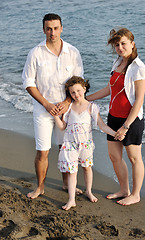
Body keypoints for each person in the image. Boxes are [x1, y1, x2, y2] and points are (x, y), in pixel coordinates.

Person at [22, 13, 84, 199]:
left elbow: (79, 82)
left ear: (61, 28)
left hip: (67, 110)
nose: (52, 32)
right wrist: (47, 104)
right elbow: (28, 83)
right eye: (48, 28)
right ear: (43, 30)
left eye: (56, 28)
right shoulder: (35, 53)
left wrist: (66, 103)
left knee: (65, 148)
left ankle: (66, 184)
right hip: (43, 109)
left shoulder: (73, 52)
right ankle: (40, 187)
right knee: (43, 151)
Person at [87, 28, 145, 205]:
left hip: (131, 120)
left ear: (132, 43)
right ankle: (124, 189)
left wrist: (126, 126)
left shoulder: (138, 68)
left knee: (134, 158)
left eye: (123, 44)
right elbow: (109, 89)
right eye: (117, 45)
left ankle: (135, 194)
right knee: (114, 156)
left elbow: (139, 100)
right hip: (113, 117)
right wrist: (85, 99)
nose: (120, 48)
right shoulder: (117, 62)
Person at [54, 76, 124, 210]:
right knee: (72, 171)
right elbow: (62, 127)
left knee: (87, 167)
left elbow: (102, 126)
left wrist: (115, 134)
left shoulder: (91, 107)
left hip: (85, 144)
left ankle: (89, 191)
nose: (76, 95)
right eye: (72, 92)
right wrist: (55, 116)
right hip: (70, 144)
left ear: (84, 89)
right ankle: (71, 199)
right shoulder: (69, 108)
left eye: (79, 91)